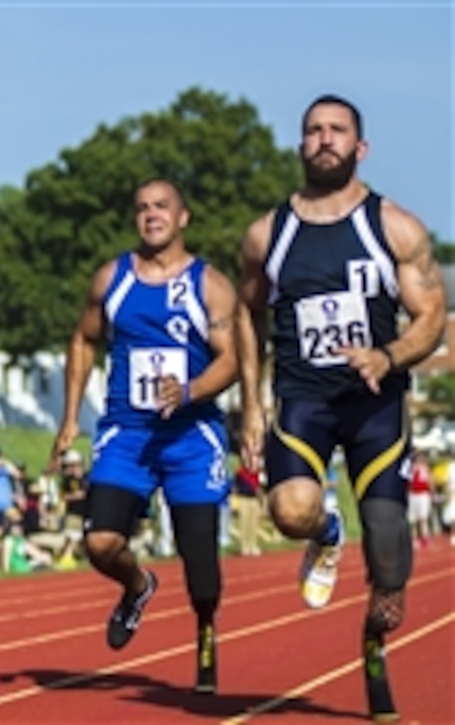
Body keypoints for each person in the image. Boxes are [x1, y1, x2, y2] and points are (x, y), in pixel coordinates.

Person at [236, 95, 447, 720]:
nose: (325, 139)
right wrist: (250, 403)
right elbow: (244, 317)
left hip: (373, 405)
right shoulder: (266, 235)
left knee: (389, 565)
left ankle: (374, 645)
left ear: (361, 147)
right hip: (302, 398)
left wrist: (389, 355)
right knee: (288, 509)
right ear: (300, 145)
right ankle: (326, 532)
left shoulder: (395, 227)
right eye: (313, 131)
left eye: (338, 131)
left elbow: (431, 316)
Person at [53, 178, 238, 695]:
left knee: (200, 565)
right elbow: (83, 341)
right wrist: (70, 418)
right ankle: (138, 585)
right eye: (142, 208)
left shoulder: (209, 284)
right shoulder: (112, 279)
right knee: (100, 542)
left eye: (162, 206)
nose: (151, 214)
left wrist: (193, 389)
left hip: (190, 437)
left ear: (183, 218)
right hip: (127, 433)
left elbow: (234, 359)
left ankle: (205, 630)